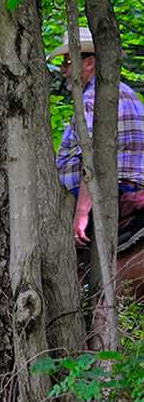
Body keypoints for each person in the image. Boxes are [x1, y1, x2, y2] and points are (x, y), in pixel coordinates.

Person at [50, 27, 144, 246]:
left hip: (103, 193)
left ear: (89, 62)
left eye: (68, 63)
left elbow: (93, 157)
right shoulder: (129, 95)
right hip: (132, 187)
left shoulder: (92, 100)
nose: (64, 70)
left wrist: (82, 212)